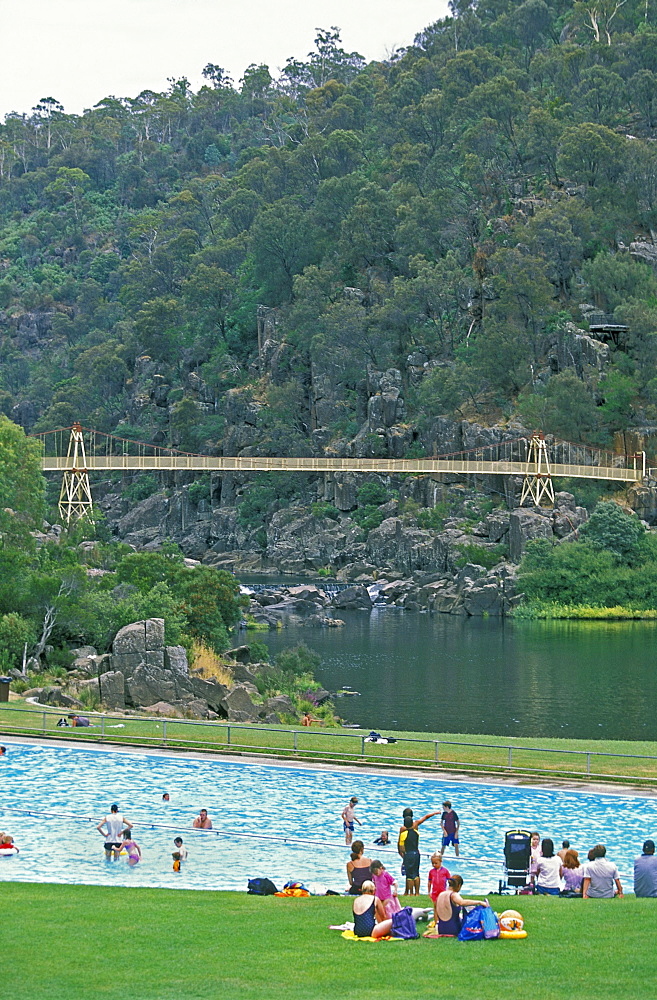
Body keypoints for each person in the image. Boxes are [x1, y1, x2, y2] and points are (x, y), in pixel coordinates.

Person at [399, 810, 441, 895]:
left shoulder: (403, 829)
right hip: (416, 852)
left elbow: (401, 842)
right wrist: (435, 813)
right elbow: (425, 817)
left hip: (408, 852)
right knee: (416, 872)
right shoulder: (416, 825)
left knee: (409, 874)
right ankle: (416, 892)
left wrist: (401, 853)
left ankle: (408, 892)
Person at [428, 852, 451, 923]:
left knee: (442, 907)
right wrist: (429, 892)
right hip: (435, 892)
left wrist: (449, 890)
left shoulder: (445, 871)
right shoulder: (431, 872)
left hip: (443, 892)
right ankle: (436, 921)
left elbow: (450, 881)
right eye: (433, 863)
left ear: (441, 861)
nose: (434, 865)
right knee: (435, 907)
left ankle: (443, 920)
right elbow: (429, 882)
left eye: (436, 863)